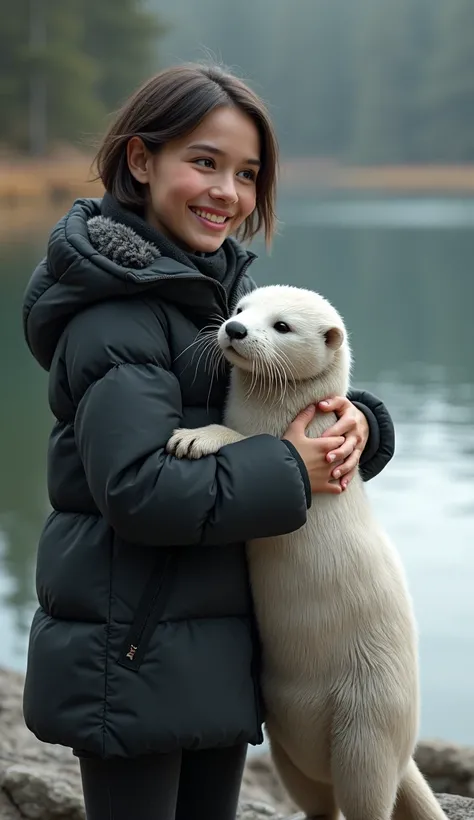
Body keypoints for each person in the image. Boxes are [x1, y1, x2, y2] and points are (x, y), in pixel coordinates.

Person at [22, 64, 395, 820]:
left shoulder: (217, 295)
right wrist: (294, 464)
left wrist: (359, 423)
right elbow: (140, 490)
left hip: (213, 650)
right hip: (131, 657)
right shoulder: (115, 317)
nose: (228, 191)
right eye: (204, 161)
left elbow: (268, 410)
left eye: (247, 173)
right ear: (139, 160)